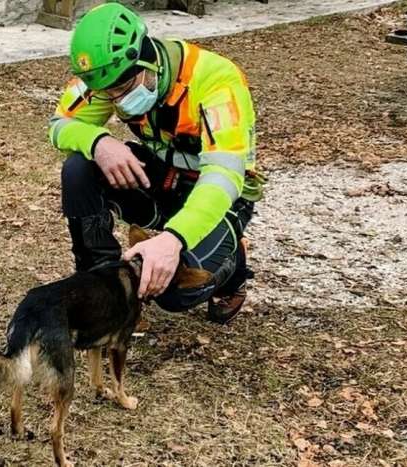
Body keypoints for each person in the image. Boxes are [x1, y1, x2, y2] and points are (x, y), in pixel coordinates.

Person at [49, 3, 265, 324]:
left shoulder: (217, 82)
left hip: (221, 198)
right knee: (79, 168)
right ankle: (107, 291)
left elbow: (224, 177)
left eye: (123, 89)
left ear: (147, 59)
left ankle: (234, 262)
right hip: (161, 180)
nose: (118, 102)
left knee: (174, 292)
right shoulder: (104, 77)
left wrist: (173, 239)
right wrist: (98, 142)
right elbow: (60, 125)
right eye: (108, 96)